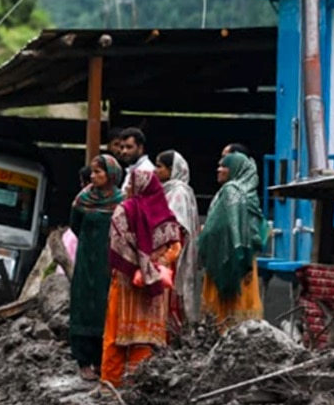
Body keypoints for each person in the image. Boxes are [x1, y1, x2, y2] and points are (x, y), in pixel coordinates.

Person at [101, 168, 184, 386]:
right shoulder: (165, 214)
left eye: (130, 185)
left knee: (116, 332)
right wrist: (155, 266)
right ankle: (140, 383)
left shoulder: (124, 210)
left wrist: (138, 267)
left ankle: (112, 382)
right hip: (155, 283)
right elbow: (175, 247)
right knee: (146, 335)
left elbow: (116, 244)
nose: (127, 189)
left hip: (128, 281)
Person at [68, 155, 125, 381]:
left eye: (99, 172)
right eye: (92, 172)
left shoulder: (122, 200)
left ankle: (104, 359)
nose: (93, 176)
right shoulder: (83, 199)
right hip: (86, 260)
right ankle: (83, 361)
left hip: (109, 261)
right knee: (83, 304)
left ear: (111, 175)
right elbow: (75, 226)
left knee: (105, 305)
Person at [199, 152, 267, 330]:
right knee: (243, 310)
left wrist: (205, 234)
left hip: (228, 259)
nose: (219, 169)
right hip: (245, 261)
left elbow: (222, 228)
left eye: (224, 166)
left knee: (223, 314)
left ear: (235, 169)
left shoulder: (232, 192)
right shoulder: (247, 193)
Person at [155, 150, 200, 333]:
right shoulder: (167, 190)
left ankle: (171, 334)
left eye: (159, 166)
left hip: (171, 255)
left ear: (171, 169)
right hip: (163, 253)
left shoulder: (179, 193)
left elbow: (176, 226)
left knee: (170, 293)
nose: (155, 171)